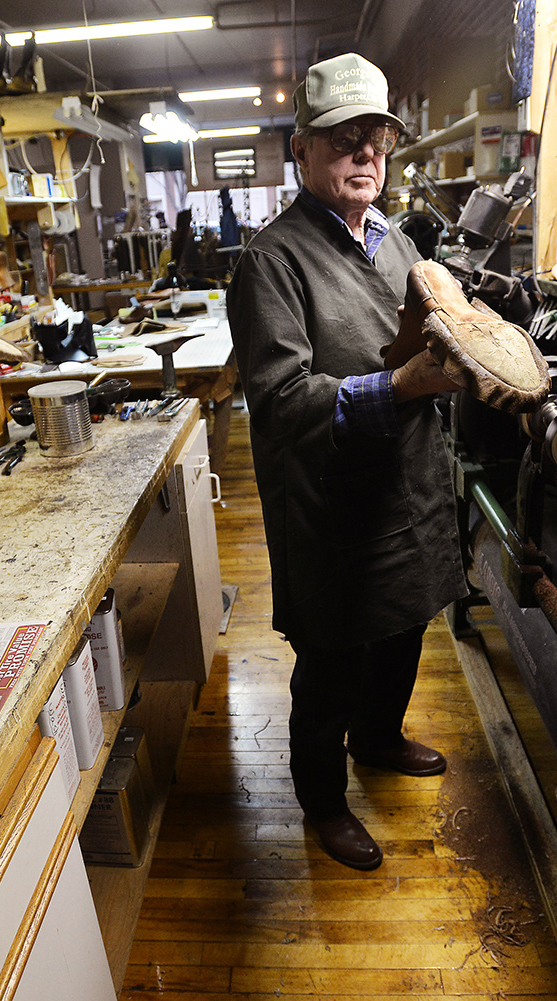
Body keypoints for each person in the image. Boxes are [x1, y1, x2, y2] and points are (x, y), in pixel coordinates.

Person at [228, 52, 469, 870]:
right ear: (301, 150)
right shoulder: (272, 261)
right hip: (332, 501)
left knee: (404, 626)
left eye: (379, 138)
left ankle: (378, 738)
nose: (366, 154)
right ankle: (324, 802)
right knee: (332, 660)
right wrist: (400, 384)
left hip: (408, 485)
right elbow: (282, 399)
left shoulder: (396, 240)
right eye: (343, 138)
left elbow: (425, 335)